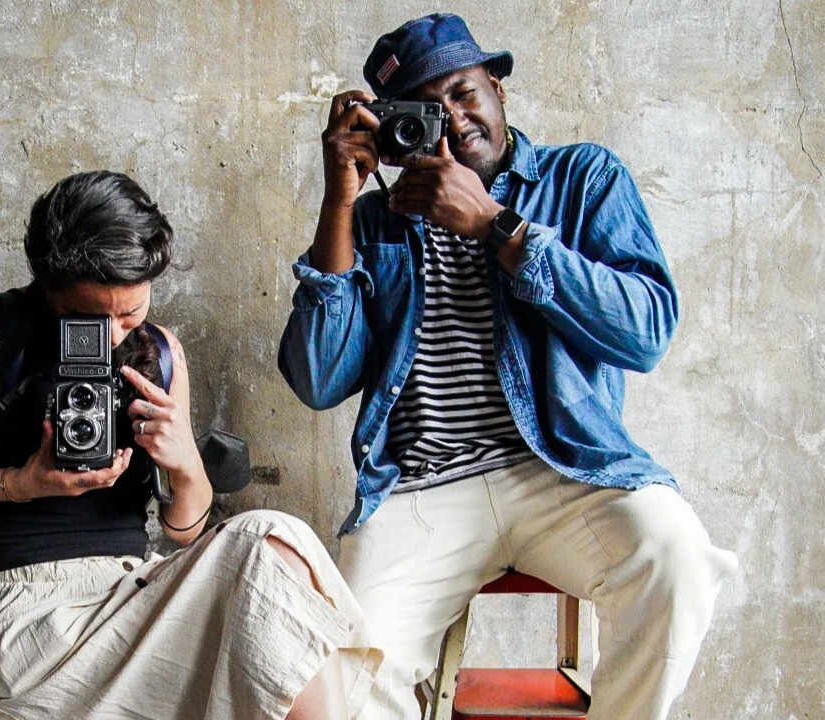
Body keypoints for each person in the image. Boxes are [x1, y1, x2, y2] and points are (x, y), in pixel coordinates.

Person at [278, 13, 737, 720]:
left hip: (563, 471)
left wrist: (499, 226)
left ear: (499, 87)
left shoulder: (583, 179)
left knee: (677, 560)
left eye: (464, 94)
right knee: (338, 685)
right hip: (422, 487)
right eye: (424, 113)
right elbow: (318, 381)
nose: (454, 122)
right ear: (390, 132)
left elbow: (646, 331)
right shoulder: (373, 221)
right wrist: (339, 200)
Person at [0, 170, 383, 720]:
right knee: (267, 562)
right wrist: (20, 483)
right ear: (49, 289)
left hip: (129, 595)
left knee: (276, 547)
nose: (113, 335)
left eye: (130, 312)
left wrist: (183, 462)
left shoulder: (161, 354)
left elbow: (184, 531)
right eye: (87, 317)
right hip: (15, 622)